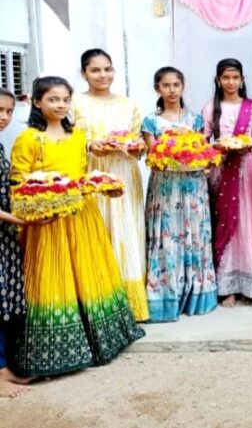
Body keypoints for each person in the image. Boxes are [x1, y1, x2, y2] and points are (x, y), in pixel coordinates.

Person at [10, 76, 143, 377]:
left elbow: (82, 174)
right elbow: (18, 183)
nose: (60, 105)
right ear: (36, 102)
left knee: (89, 273)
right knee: (54, 278)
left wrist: (102, 186)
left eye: (65, 100)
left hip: (82, 214)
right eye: (53, 99)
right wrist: (40, 206)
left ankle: (98, 342)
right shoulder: (30, 138)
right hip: (48, 221)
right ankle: (53, 354)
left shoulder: (78, 136)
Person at [71, 49, 148, 322]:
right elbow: (67, 140)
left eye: (108, 69)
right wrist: (92, 146)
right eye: (95, 70)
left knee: (128, 232)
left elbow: (139, 145)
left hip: (125, 174)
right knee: (99, 232)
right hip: (94, 174)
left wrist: (137, 147)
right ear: (84, 73)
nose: (103, 75)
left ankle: (132, 306)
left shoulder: (129, 105)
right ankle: (100, 301)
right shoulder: (75, 103)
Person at [141, 67, 218, 322]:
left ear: (183, 87)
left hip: (193, 185)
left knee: (194, 235)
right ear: (157, 89)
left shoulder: (195, 120)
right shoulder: (151, 122)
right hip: (166, 187)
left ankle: (196, 293)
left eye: (176, 85)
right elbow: (153, 159)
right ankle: (165, 296)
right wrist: (171, 155)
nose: (172, 90)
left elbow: (202, 151)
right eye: (166, 85)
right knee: (167, 236)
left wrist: (203, 159)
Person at [202, 58, 252, 307]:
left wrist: (247, 145)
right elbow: (203, 143)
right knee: (226, 225)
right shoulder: (209, 108)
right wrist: (218, 149)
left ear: (242, 79)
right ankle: (227, 287)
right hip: (221, 169)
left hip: (246, 170)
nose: (230, 82)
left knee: (247, 223)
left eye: (235, 77)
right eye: (225, 77)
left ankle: (248, 285)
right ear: (218, 80)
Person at [0, 88, 31, 398]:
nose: (4, 117)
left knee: (6, 302)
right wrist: (22, 221)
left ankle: (5, 368)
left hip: (4, 237)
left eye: (9, 111)